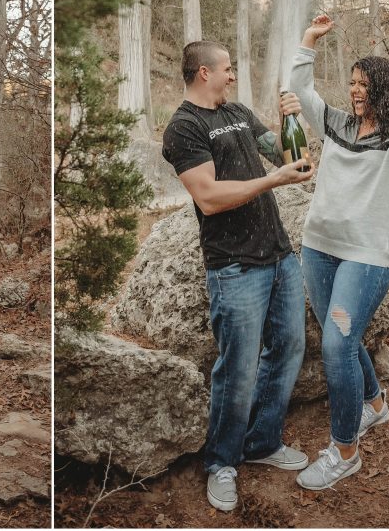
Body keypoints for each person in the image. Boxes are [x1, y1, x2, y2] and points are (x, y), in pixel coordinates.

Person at [161, 40, 316, 513]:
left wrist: (294, 120)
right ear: (204, 72)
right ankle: (222, 462)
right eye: (228, 69)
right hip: (233, 266)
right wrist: (274, 181)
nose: (233, 76)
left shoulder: (239, 111)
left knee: (289, 347)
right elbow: (208, 197)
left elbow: (297, 162)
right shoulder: (184, 128)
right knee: (236, 369)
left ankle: (263, 443)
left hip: (278, 254)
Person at [288, 16, 389, 491]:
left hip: (367, 255)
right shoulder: (337, 122)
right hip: (319, 248)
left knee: (335, 344)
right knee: (339, 339)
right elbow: (301, 90)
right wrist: (308, 42)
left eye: (364, 84)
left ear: (382, 88)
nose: (355, 91)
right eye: (351, 83)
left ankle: (344, 451)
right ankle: (374, 404)